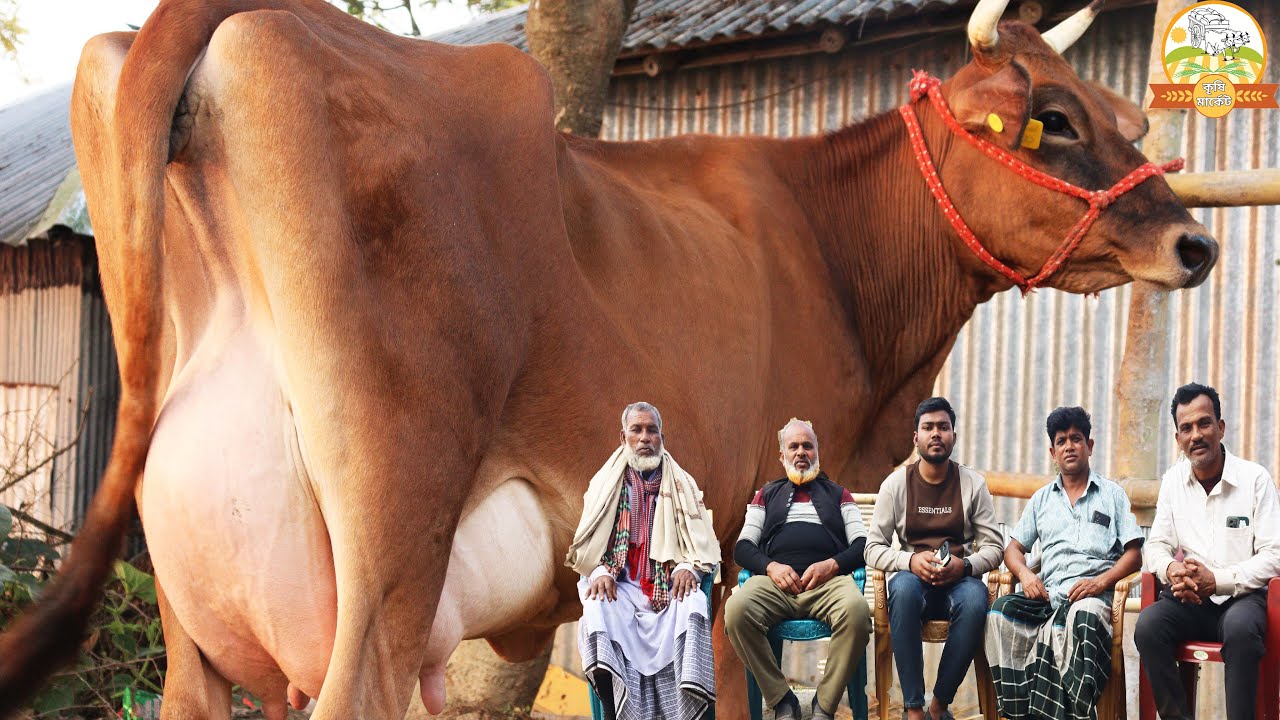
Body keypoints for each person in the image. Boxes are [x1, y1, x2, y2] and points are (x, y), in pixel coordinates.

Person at [984, 406, 1143, 720]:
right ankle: (1019, 713)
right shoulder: (1042, 499)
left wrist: (1100, 582)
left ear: (1089, 446)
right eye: (1061, 441)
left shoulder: (1112, 495)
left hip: (1093, 599)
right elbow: (1013, 549)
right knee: (1000, 613)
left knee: (1080, 617)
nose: (1069, 446)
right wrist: (1026, 575)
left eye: (1076, 438)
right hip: (1048, 597)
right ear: (1053, 453)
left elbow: (1134, 553)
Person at [565, 402, 721, 720]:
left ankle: (687, 710)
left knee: (693, 604)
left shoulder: (682, 484)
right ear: (623, 437)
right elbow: (587, 544)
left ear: (662, 437)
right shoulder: (605, 484)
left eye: (652, 430)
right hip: (620, 586)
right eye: (636, 430)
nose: (644, 437)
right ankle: (614, 711)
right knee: (596, 607)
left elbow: (702, 544)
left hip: (667, 586)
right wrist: (599, 571)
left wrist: (687, 568)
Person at [1135, 383, 1280, 720]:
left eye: (1204, 423)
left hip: (1243, 599)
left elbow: (1274, 555)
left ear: (1221, 427)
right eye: (1186, 428)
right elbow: (1156, 545)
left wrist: (1217, 580)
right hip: (1190, 602)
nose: (1196, 435)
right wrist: (1172, 570)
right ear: (1178, 438)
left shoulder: (1255, 479)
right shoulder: (1173, 482)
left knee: (1241, 631)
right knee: (1148, 626)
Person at [866, 396, 1002, 720]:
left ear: (954, 435)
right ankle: (914, 709)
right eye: (928, 427)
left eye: (943, 427)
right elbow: (871, 548)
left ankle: (939, 707)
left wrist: (964, 566)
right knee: (901, 589)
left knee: (976, 600)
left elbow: (994, 547)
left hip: (960, 582)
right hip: (914, 582)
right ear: (916, 438)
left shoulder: (973, 484)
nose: (936, 433)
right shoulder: (896, 484)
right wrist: (909, 562)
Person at [725, 418, 871, 720]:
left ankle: (824, 705)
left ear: (818, 451)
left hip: (829, 584)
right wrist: (771, 567)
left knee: (857, 613)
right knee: (736, 611)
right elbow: (743, 548)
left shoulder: (839, 495)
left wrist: (832, 565)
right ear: (782, 456)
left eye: (808, 445)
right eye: (793, 446)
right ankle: (782, 700)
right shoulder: (765, 495)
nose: (801, 452)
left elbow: (862, 545)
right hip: (774, 585)